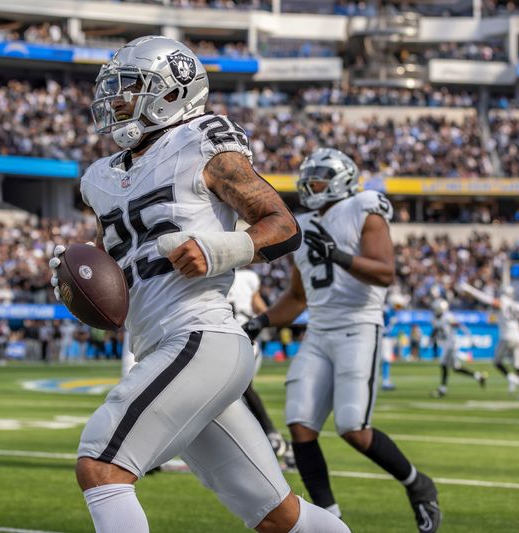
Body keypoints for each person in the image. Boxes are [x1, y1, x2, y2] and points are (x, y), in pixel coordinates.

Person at [50, 36, 346, 533]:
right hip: (162, 346)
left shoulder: (203, 142)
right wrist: (74, 276)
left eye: (131, 88)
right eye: (115, 89)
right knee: (279, 517)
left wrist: (218, 250)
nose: (116, 101)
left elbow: (283, 225)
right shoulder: (99, 178)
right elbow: (114, 264)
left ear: (170, 92)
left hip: (201, 336)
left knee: (100, 465)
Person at [244, 148, 441, 532]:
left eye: (317, 178)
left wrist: (339, 256)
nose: (309, 185)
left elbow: (385, 273)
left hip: (359, 325)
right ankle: (329, 520)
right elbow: (297, 297)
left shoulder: (364, 206)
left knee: (354, 428)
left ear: (341, 179)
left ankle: (418, 485)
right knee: (300, 426)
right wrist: (260, 322)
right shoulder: (300, 224)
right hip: (318, 329)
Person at [228, 267, 291, 461]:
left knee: (240, 389)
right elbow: (261, 307)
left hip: (241, 336)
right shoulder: (248, 277)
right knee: (232, 395)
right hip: (231, 337)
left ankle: (271, 434)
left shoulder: (224, 274)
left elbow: (260, 308)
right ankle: (265, 438)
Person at [459, 283, 519, 399]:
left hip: (507, 336)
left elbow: (486, 299)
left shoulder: (502, 303)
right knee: (518, 365)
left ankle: (512, 379)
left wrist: (469, 289)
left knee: (497, 361)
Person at [429, 298, 487, 398]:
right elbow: (436, 329)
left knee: (443, 364)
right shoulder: (435, 318)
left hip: (451, 344)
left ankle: (442, 389)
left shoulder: (448, 317)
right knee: (456, 368)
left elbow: (460, 326)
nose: (434, 311)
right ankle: (479, 376)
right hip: (446, 344)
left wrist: (470, 338)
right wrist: (431, 338)